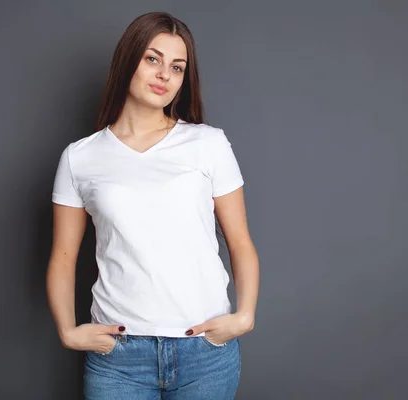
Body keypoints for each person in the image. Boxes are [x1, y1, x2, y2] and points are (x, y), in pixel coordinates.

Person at [46, 11, 260, 400]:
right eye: (152, 59)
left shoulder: (208, 144)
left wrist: (243, 317)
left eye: (177, 67)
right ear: (128, 60)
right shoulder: (80, 158)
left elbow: (240, 241)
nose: (164, 74)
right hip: (119, 358)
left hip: (205, 354)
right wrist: (68, 331)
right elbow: (63, 256)